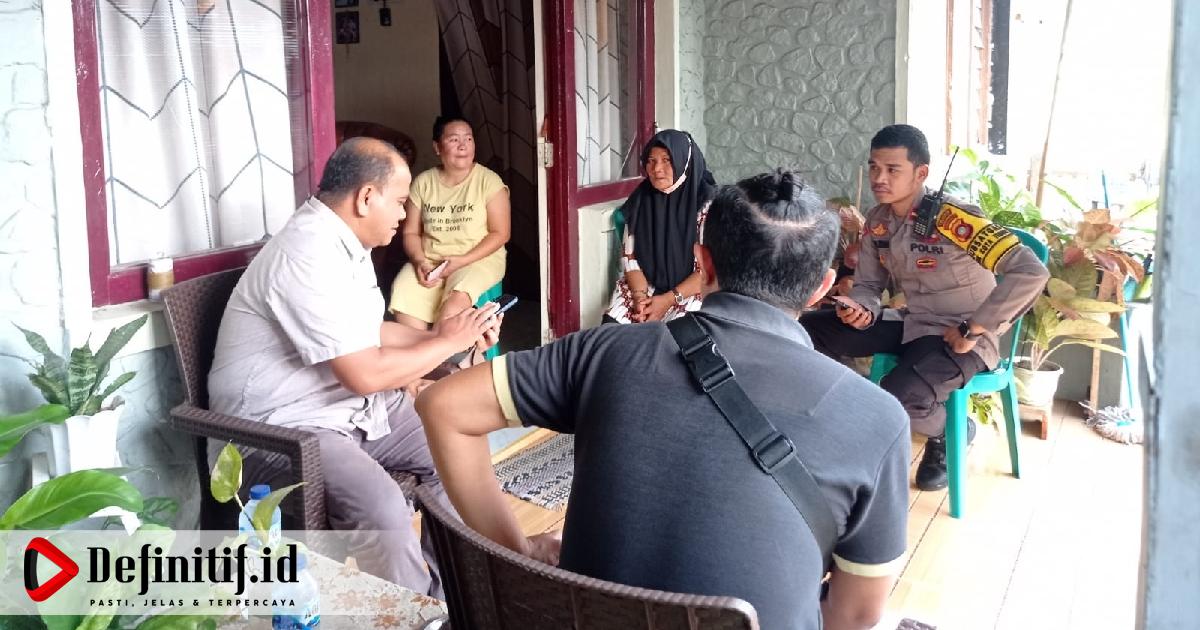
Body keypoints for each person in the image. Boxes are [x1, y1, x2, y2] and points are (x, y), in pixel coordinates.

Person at [417, 170, 912, 630]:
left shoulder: (603, 352)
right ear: (821, 288)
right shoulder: (877, 419)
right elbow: (855, 615)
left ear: (703, 261)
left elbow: (443, 405)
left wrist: (520, 553)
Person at [207, 137, 502, 596]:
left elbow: (371, 332)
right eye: (400, 202)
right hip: (279, 430)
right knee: (382, 509)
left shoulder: (346, 243)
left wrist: (449, 335)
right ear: (366, 197)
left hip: (345, 410)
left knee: (457, 444)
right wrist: (447, 342)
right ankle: (412, 618)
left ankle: (448, 600)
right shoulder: (305, 252)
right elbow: (364, 373)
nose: (405, 215)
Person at [800, 124, 1049, 491]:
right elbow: (868, 286)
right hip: (912, 322)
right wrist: (861, 308)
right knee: (804, 330)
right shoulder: (879, 222)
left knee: (901, 397)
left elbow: (1031, 271)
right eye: (874, 167)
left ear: (921, 173)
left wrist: (974, 328)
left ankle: (950, 431)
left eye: (892, 169)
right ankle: (844, 411)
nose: (879, 178)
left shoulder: (956, 220)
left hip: (961, 336)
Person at [390, 116, 510, 337]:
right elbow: (411, 232)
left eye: (468, 139)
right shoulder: (423, 183)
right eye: (454, 139)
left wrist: (462, 261)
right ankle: (421, 355)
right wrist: (420, 261)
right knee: (404, 290)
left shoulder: (489, 181)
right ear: (437, 147)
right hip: (431, 260)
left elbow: (500, 233)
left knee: (455, 304)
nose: (463, 145)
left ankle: (443, 354)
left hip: (477, 259)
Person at [603, 129, 717, 324]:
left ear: (684, 162)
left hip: (693, 290)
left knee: (680, 334)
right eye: (651, 160)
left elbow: (709, 272)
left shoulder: (708, 205)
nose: (656, 169)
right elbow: (631, 259)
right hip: (646, 286)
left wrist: (668, 300)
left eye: (667, 160)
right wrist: (640, 299)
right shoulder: (640, 200)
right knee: (612, 331)